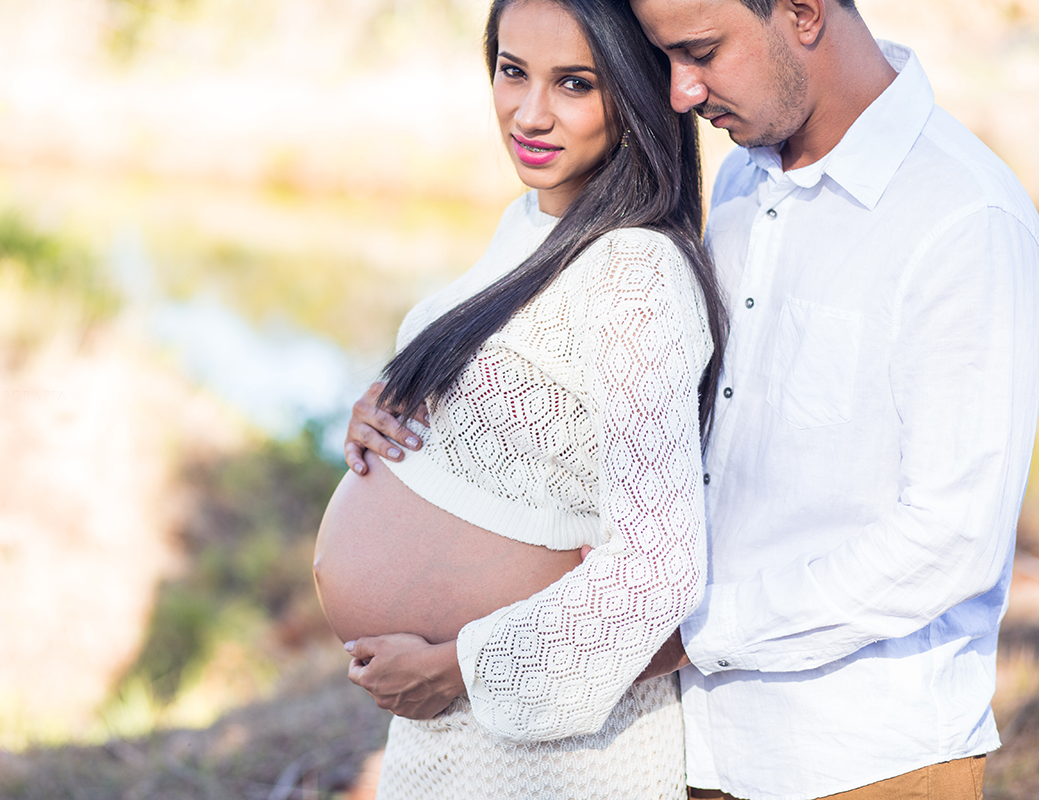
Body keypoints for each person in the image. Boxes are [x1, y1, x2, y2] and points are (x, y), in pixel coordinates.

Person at [344, 0, 1039, 798]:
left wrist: (687, 632)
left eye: (700, 52)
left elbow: (950, 540)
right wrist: (417, 420)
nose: (678, 93)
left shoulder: (963, 216)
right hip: (691, 747)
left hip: (859, 759)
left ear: (803, 13)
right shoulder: (744, 171)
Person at [313, 0, 728, 796]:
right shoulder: (527, 225)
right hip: (450, 729)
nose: (530, 114)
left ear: (637, 93)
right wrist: (386, 424)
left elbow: (659, 566)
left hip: (553, 755)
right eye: (513, 72)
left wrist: (462, 668)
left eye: (575, 83)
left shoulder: (634, 269)